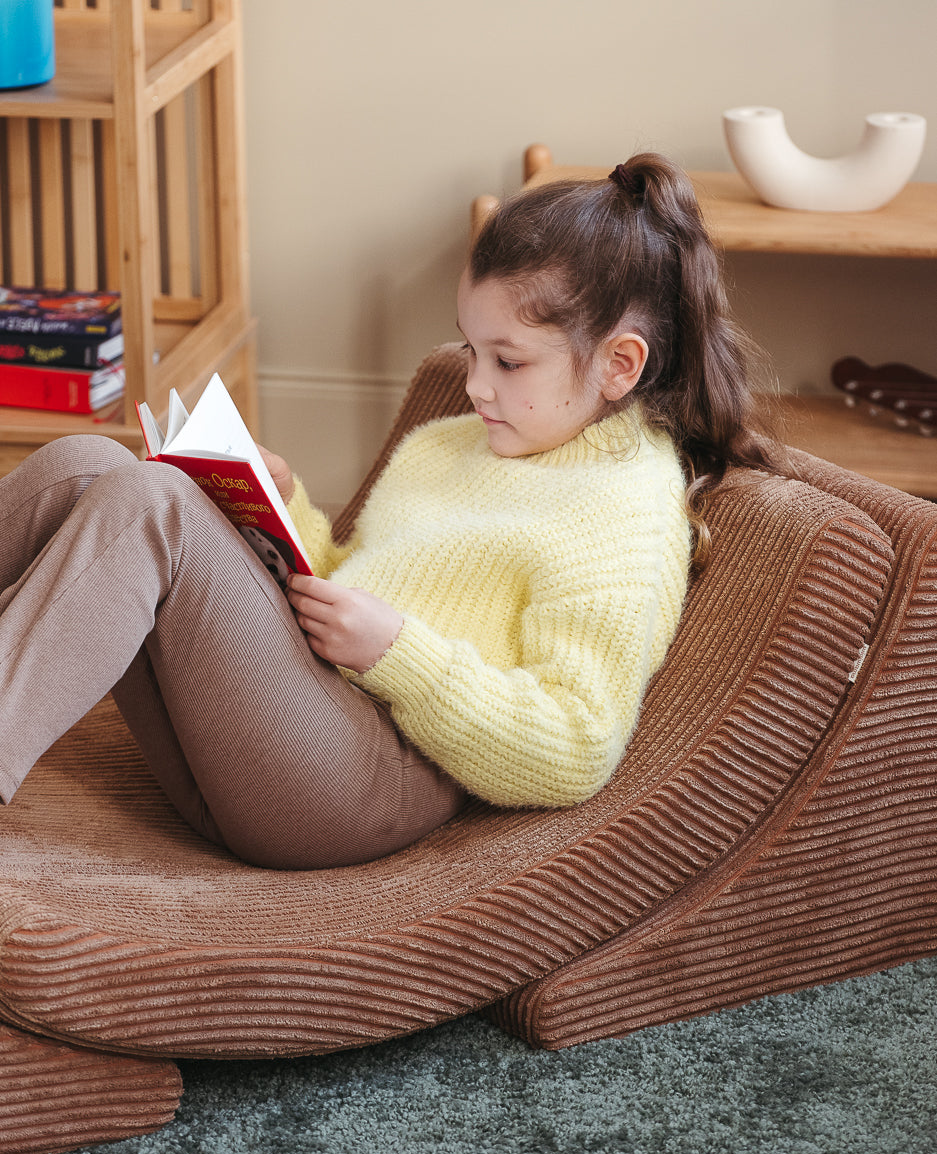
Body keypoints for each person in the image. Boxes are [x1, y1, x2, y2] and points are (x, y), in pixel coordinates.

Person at [0, 152, 782, 870]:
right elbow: (351, 580)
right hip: (276, 728)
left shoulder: (623, 511)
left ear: (619, 364)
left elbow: (577, 746)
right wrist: (278, 510)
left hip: (366, 779)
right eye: (470, 350)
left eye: (506, 361)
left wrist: (397, 654)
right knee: (88, 462)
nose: (474, 385)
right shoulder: (450, 445)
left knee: (149, 503)